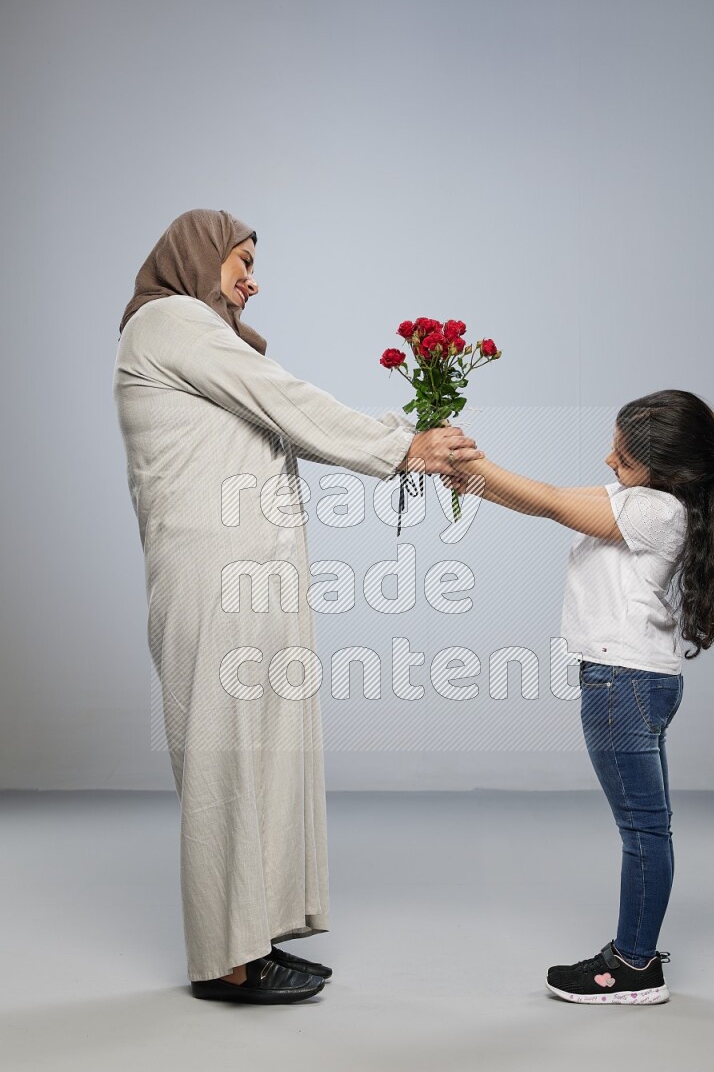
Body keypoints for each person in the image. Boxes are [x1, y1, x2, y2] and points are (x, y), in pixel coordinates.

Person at [113, 209, 484, 1004]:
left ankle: (254, 937)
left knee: (264, 754)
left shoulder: (199, 339)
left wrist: (409, 430)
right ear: (196, 256)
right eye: (239, 260)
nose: (251, 279)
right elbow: (285, 400)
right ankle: (223, 961)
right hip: (215, 578)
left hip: (249, 574)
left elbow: (278, 416)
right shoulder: (168, 321)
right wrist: (401, 446)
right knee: (223, 758)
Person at [448, 390, 714, 1004]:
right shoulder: (640, 500)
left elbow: (547, 503)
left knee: (644, 831)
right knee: (649, 827)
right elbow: (535, 497)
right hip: (636, 682)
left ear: (661, 470)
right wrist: (460, 469)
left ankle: (634, 966)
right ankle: (636, 952)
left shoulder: (657, 513)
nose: (608, 461)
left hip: (621, 684)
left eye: (621, 457)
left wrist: (467, 462)